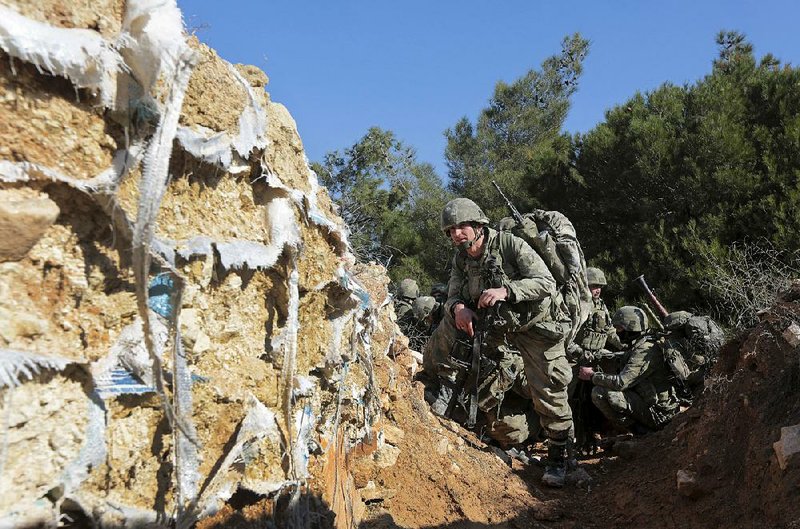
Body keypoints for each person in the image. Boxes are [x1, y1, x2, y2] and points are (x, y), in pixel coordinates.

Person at [439, 197, 574, 487]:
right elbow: (452, 296)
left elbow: (546, 283)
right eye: (450, 230)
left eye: (461, 226)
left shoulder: (510, 245)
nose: (456, 234)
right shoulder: (461, 260)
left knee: (548, 388)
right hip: (499, 329)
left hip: (538, 328)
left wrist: (506, 291)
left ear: (478, 225)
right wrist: (458, 309)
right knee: (477, 374)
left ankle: (560, 456)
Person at [578, 306, 680, 435]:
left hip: (660, 414)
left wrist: (592, 376)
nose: (617, 332)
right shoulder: (641, 343)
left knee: (603, 393)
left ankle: (642, 433)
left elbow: (621, 382)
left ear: (630, 328)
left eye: (619, 328)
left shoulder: (644, 350)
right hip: (652, 405)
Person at [566, 267, 622, 453]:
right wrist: (579, 353)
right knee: (568, 397)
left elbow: (609, 330)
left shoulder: (601, 305)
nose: (597, 290)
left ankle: (597, 432)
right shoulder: (575, 304)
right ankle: (565, 436)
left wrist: (622, 345)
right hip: (574, 360)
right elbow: (565, 336)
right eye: (593, 286)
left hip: (595, 358)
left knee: (596, 397)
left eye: (599, 286)